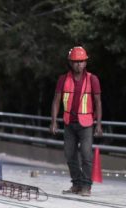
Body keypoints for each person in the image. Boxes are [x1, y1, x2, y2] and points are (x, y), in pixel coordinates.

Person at [49, 46, 102, 197]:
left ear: (86, 62)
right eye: (76, 62)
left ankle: (86, 186)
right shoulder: (63, 79)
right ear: (71, 63)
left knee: (86, 155)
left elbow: (98, 102)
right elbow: (56, 101)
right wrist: (53, 121)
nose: (79, 64)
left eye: (81, 61)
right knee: (69, 155)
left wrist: (98, 124)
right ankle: (77, 183)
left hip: (86, 123)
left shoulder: (93, 79)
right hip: (69, 123)